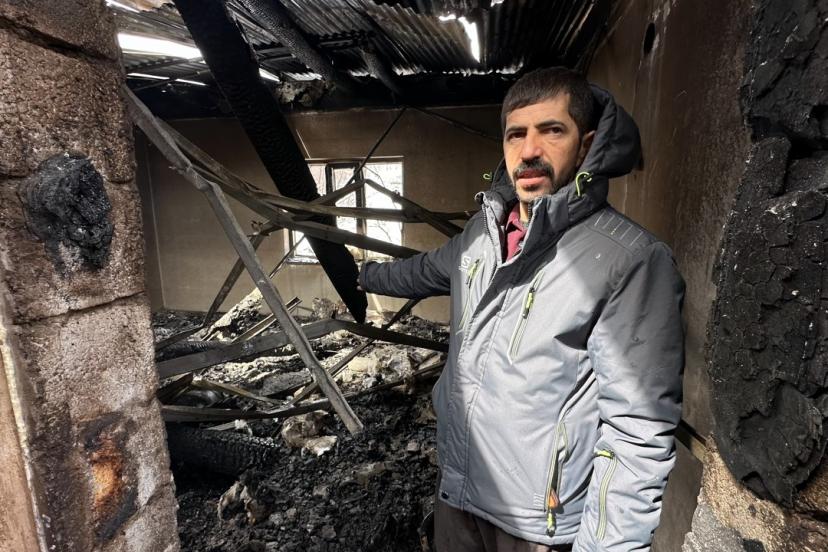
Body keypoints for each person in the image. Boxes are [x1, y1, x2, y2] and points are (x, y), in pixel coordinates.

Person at [359, 67, 685, 551]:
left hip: (535, 525)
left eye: (551, 130)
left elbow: (637, 433)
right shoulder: (482, 235)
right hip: (457, 495)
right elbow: (423, 271)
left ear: (586, 145)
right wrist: (363, 275)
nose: (529, 150)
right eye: (516, 134)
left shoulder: (629, 260)